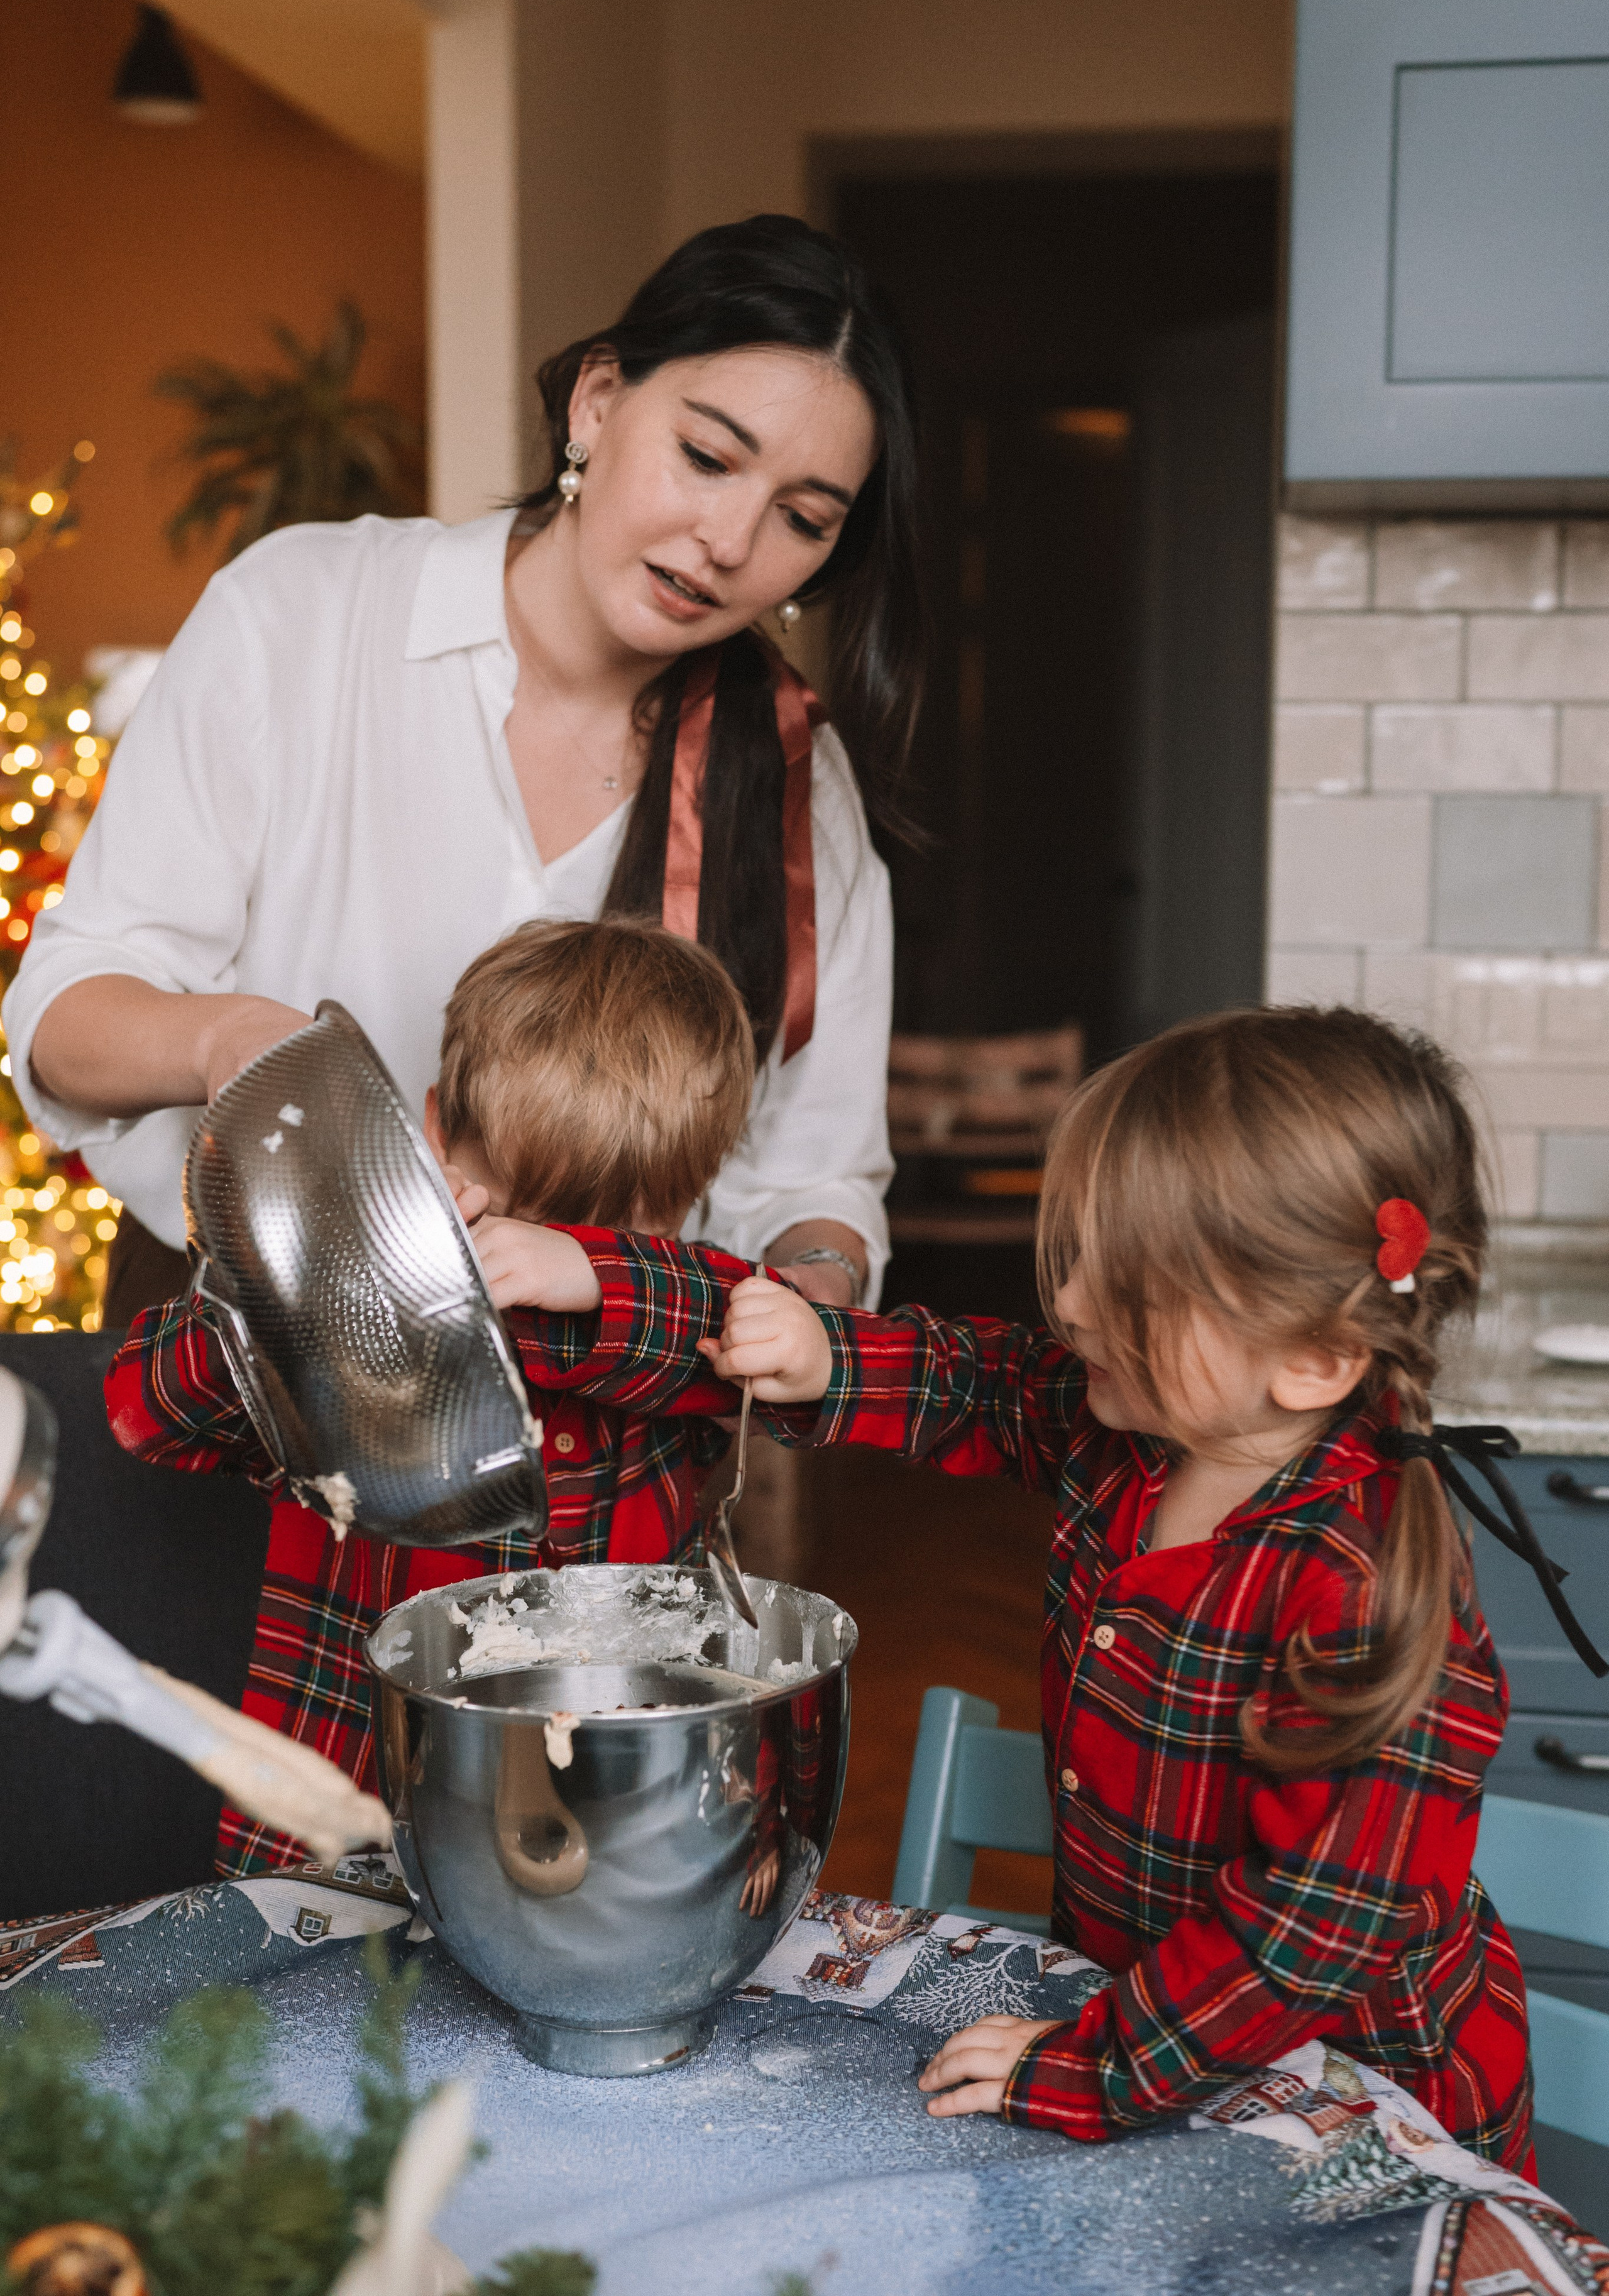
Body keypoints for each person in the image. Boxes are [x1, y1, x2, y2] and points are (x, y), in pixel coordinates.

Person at [425, 1005, 1568, 2172]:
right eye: (1079, 1260)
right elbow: (961, 1377)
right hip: (1156, 2058)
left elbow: (1312, 1933)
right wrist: (813, 1348)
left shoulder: (1360, 1595)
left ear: (1314, 1360)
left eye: (1130, 1289)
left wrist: (1105, 2064)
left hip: (1364, 2113)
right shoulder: (1126, 1428)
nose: (1071, 1307)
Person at [6, 214, 924, 1329]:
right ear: (597, 403)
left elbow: (813, 1180)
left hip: (593, 1424)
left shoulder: (788, 778)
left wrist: (815, 1288)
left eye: (801, 517)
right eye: (707, 456)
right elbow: (63, 1017)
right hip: (228, 1354)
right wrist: (234, 1041)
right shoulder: (305, 613)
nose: (732, 540)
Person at [104, 916, 759, 1877]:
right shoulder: (346, 1315)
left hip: (607, 1857)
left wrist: (587, 1277)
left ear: (694, 1191)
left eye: (588, 1234)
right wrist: (311, 1276)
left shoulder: (686, 1323)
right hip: (340, 1848)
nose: (522, 1266)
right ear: (433, 1127)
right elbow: (141, 1408)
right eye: (514, 1213)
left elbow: (739, 1316)